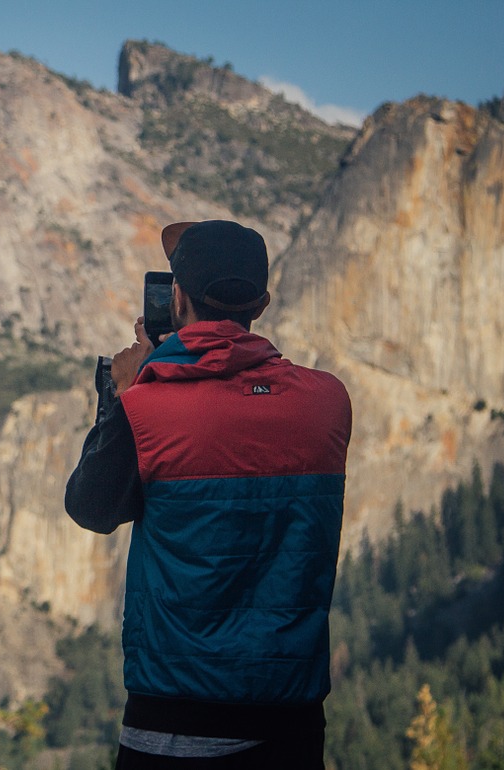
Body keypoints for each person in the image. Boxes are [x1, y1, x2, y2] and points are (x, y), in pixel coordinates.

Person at [64, 220, 352, 769]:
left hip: (174, 726)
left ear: (175, 298)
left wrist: (125, 393)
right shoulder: (328, 401)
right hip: (292, 725)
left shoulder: (149, 407)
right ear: (261, 303)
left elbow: (93, 508)